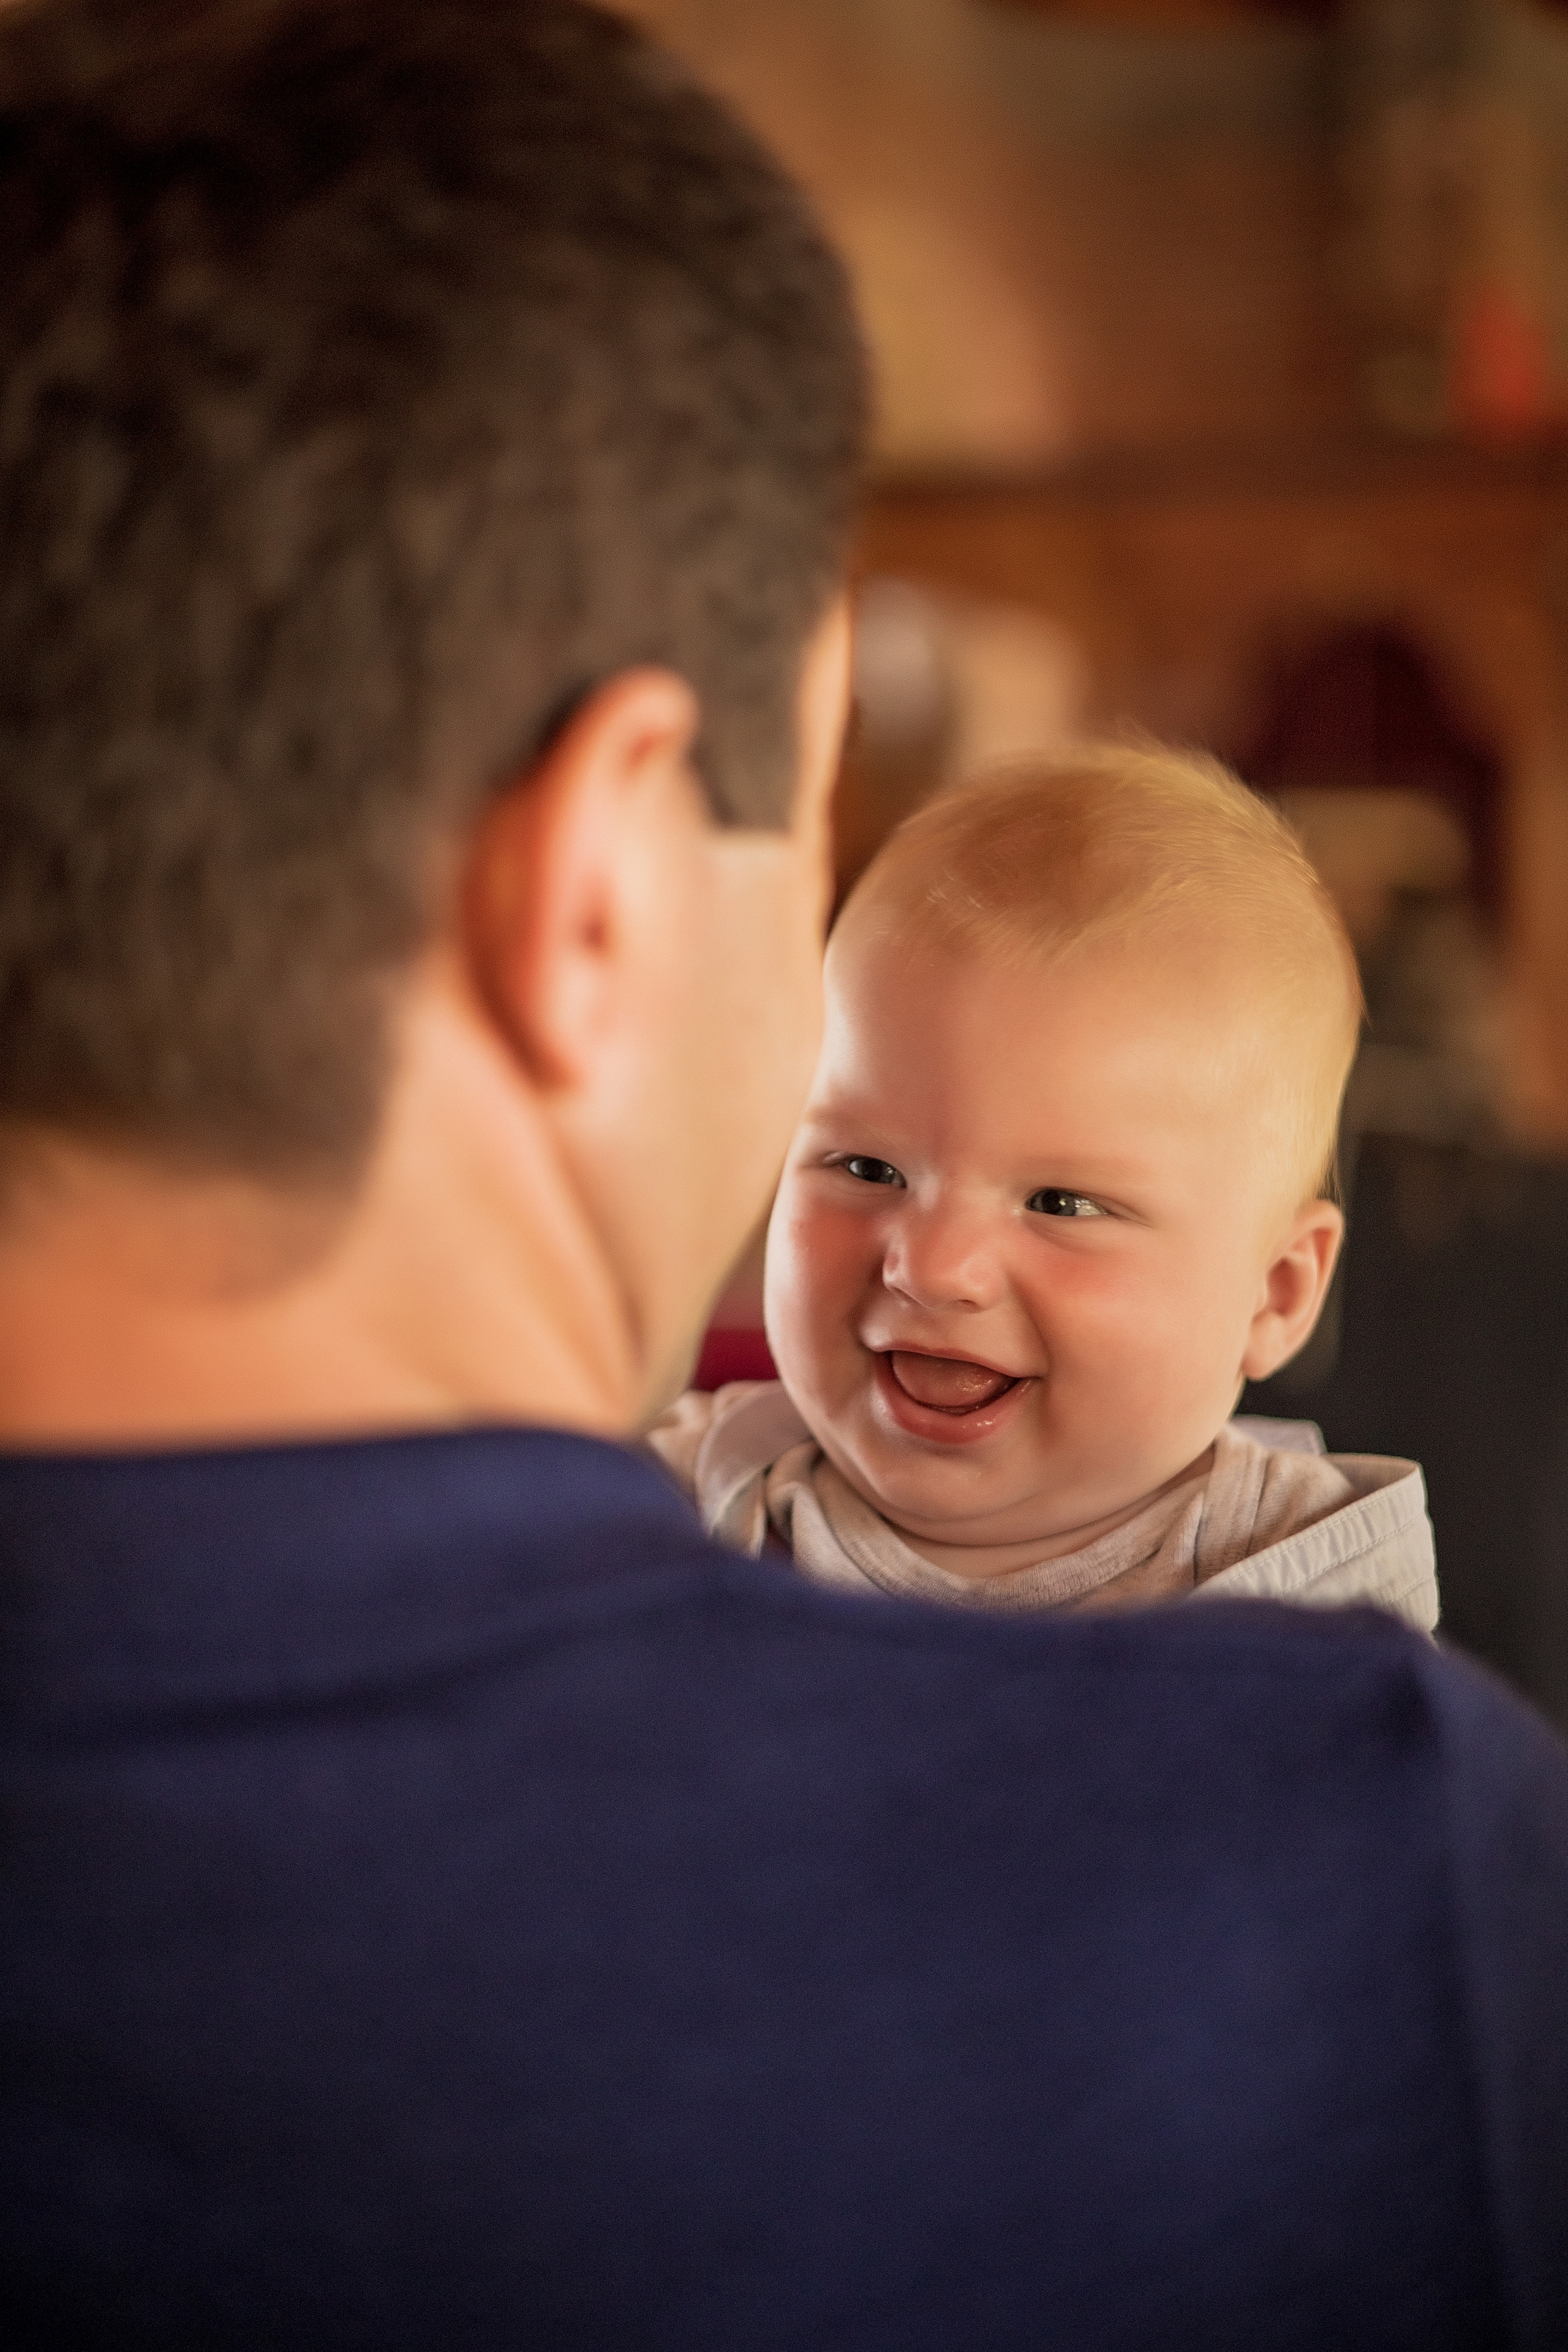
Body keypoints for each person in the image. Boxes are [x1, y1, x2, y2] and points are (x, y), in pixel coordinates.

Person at [0, 5, 1564, 2348]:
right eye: (801, 805)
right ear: (607, 877)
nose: (935, 1255)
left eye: (1067, 1200)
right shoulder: (1364, 1892)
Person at [652, 747, 1438, 1629]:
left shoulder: (1310, 1608)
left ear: (1276, 1295)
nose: (935, 1267)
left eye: (1060, 1204)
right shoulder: (681, 1508)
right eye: (869, 1169)